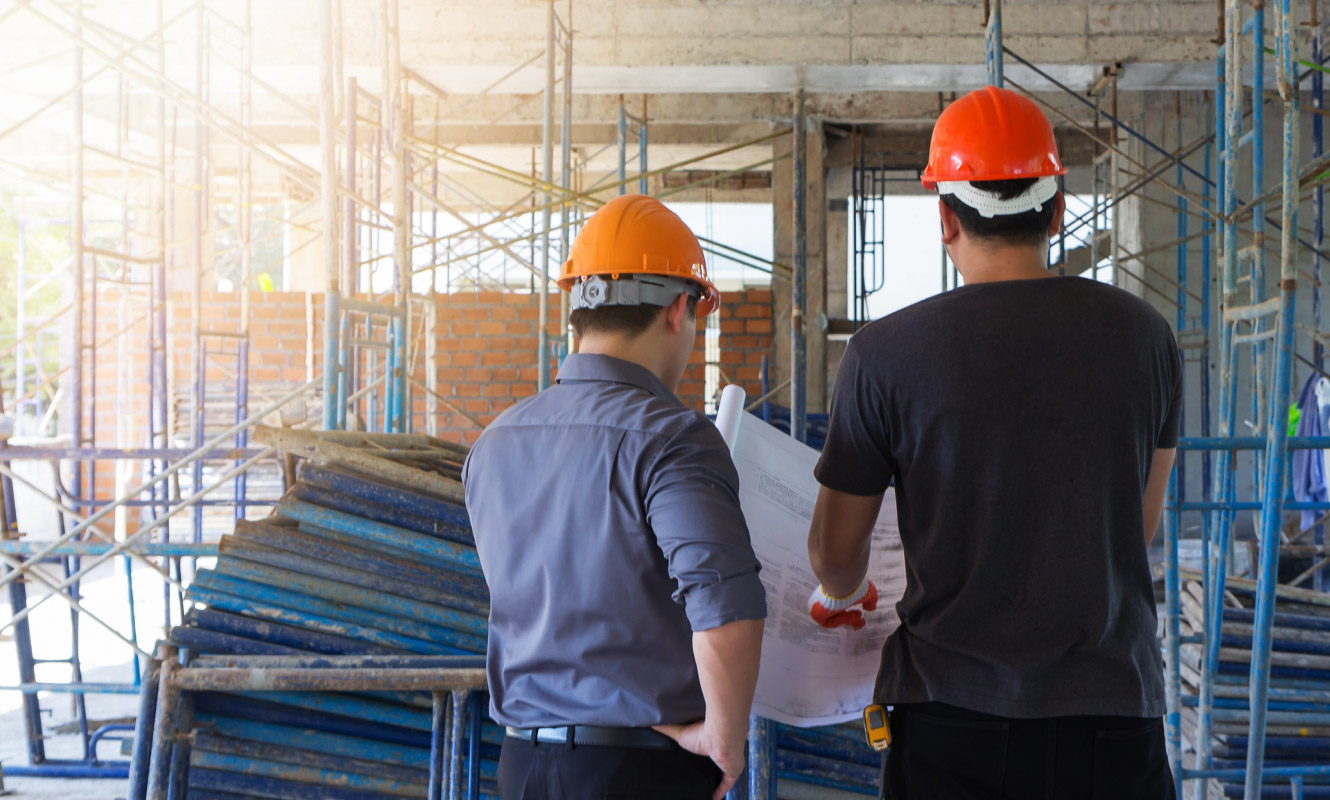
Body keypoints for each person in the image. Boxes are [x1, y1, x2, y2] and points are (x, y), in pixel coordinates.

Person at [805, 86, 1180, 800]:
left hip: (952, 723)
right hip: (1112, 714)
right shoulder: (1145, 337)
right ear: (1058, 210)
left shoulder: (885, 354)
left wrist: (846, 590)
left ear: (944, 217)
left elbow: (833, 557)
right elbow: (1138, 527)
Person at [463, 194, 767, 800]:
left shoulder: (494, 443)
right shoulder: (674, 437)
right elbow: (726, 618)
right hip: (639, 773)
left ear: (574, 308)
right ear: (680, 310)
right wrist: (725, 742)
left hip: (522, 767)